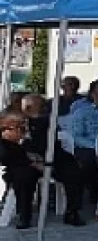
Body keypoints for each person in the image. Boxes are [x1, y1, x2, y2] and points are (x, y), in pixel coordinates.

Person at [18, 97, 87, 226]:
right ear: (28, 108)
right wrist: (33, 161)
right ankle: (24, 215)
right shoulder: (17, 122)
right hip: (27, 161)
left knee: (74, 171)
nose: (45, 108)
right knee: (24, 176)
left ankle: (72, 212)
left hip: (53, 157)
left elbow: (52, 144)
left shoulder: (48, 122)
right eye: (41, 105)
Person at [1, 112, 43, 229]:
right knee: (23, 176)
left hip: (37, 165)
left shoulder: (32, 135)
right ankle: (24, 215)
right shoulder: (5, 141)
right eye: (17, 126)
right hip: (16, 169)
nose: (21, 129)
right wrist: (31, 163)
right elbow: (6, 158)